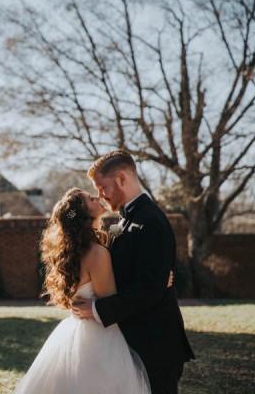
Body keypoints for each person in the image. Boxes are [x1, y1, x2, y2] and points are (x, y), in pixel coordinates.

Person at [71, 150, 194, 394]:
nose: (100, 195)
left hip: (156, 348)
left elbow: (148, 288)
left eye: (102, 187)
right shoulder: (125, 221)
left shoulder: (151, 221)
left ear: (122, 179)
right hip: (134, 343)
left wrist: (95, 309)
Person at [14, 187, 153, 393]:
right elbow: (110, 299)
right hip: (100, 335)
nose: (97, 196)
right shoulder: (96, 253)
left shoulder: (73, 252)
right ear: (84, 213)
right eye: (90, 197)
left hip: (75, 330)